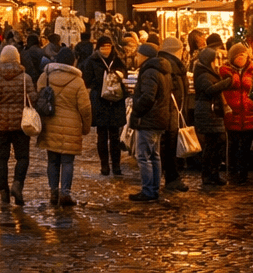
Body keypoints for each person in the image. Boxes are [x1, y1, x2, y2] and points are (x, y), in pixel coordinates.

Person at [36, 45, 92, 206]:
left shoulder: (45, 76)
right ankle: (65, 193)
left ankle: (53, 192)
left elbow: (39, 95)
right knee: (67, 162)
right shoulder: (77, 81)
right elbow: (85, 108)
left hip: (49, 124)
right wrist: (86, 127)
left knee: (52, 160)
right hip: (71, 126)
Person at [0, 44, 35, 207]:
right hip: (20, 124)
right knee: (23, 157)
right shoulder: (25, 78)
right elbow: (32, 99)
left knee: (1, 159)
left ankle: (3, 192)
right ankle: (17, 184)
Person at [127, 42, 173, 202]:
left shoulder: (149, 72)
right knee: (154, 155)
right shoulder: (162, 70)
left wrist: (137, 110)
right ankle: (153, 190)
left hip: (148, 119)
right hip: (158, 118)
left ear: (144, 56)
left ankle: (148, 191)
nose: (136, 57)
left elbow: (147, 97)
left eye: (138, 54)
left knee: (144, 156)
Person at [80, 36, 129, 177]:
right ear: (98, 47)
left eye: (108, 46)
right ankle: (104, 166)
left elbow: (124, 72)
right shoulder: (91, 61)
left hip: (115, 100)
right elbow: (87, 80)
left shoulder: (117, 59)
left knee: (115, 135)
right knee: (101, 135)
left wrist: (119, 74)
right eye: (103, 46)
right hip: (100, 101)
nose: (106, 49)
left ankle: (116, 166)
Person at [192, 46, 232, 188]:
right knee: (211, 145)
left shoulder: (210, 72)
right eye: (216, 58)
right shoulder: (203, 74)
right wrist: (225, 83)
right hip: (207, 112)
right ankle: (208, 175)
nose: (218, 61)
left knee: (217, 143)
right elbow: (209, 90)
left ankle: (214, 174)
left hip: (213, 111)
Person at [221, 42, 253, 185]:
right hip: (233, 113)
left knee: (246, 146)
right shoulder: (225, 71)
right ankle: (232, 173)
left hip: (250, 113)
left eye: (243, 55)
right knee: (232, 145)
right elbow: (221, 92)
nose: (241, 58)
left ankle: (243, 174)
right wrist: (226, 106)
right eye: (237, 56)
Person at [157, 37, 190, 192]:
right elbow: (174, 91)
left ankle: (171, 176)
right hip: (171, 112)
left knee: (169, 145)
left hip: (170, 112)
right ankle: (172, 178)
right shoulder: (172, 65)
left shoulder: (166, 62)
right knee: (170, 145)